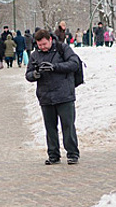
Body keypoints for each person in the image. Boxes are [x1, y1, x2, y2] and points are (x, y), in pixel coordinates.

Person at [25, 29, 80, 165]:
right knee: (50, 128)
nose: (42, 47)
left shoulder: (63, 49)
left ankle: (72, 153)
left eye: (44, 44)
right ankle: (53, 154)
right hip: (46, 96)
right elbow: (28, 74)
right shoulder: (34, 55)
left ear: (50, 40)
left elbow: (74, 64)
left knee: (68, 126)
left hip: (64, 95)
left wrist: (54, 67)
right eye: (39, 45)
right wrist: (35, 74)